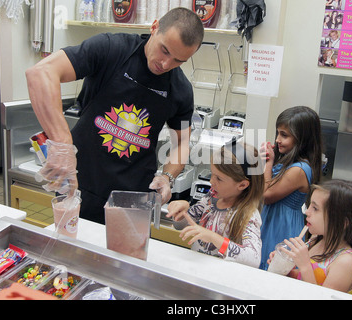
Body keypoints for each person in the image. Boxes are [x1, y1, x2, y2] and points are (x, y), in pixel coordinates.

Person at [25, 8, 204, 224]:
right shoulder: (111, 48)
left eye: (178, 60)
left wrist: (167, 177)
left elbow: (182, 142)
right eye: (164, 50)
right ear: (155, 27)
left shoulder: (181, 89)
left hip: (134, 201)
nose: (165, 64)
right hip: (80, 188)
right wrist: (62, 144)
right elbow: (40, 73)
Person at [166, 141, 265, 268]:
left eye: (219, 178)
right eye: (212, 174)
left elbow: (253, 259)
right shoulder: (211, 198)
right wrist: (182, 211)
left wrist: (213, 237)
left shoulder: (248, 216)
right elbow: (180, 226)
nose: (212, 181)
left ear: (242, 185)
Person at [267, 179, 352, 293]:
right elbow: (303, 278)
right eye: (310, 205)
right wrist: (285, 269)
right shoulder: (315, 240)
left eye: (315, 208)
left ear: (342, 223)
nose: (307, 212)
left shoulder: (346, 262)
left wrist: (305, 266)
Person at [259, 106, 323, 270]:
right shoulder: (290, 162)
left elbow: (266, 194)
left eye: (284, 135)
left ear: (302, 139)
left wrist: (268, 164)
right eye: (278, 133)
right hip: (273, 218)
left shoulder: (299, 169)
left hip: (280, 224)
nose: (278, 139)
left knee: (271, 268)